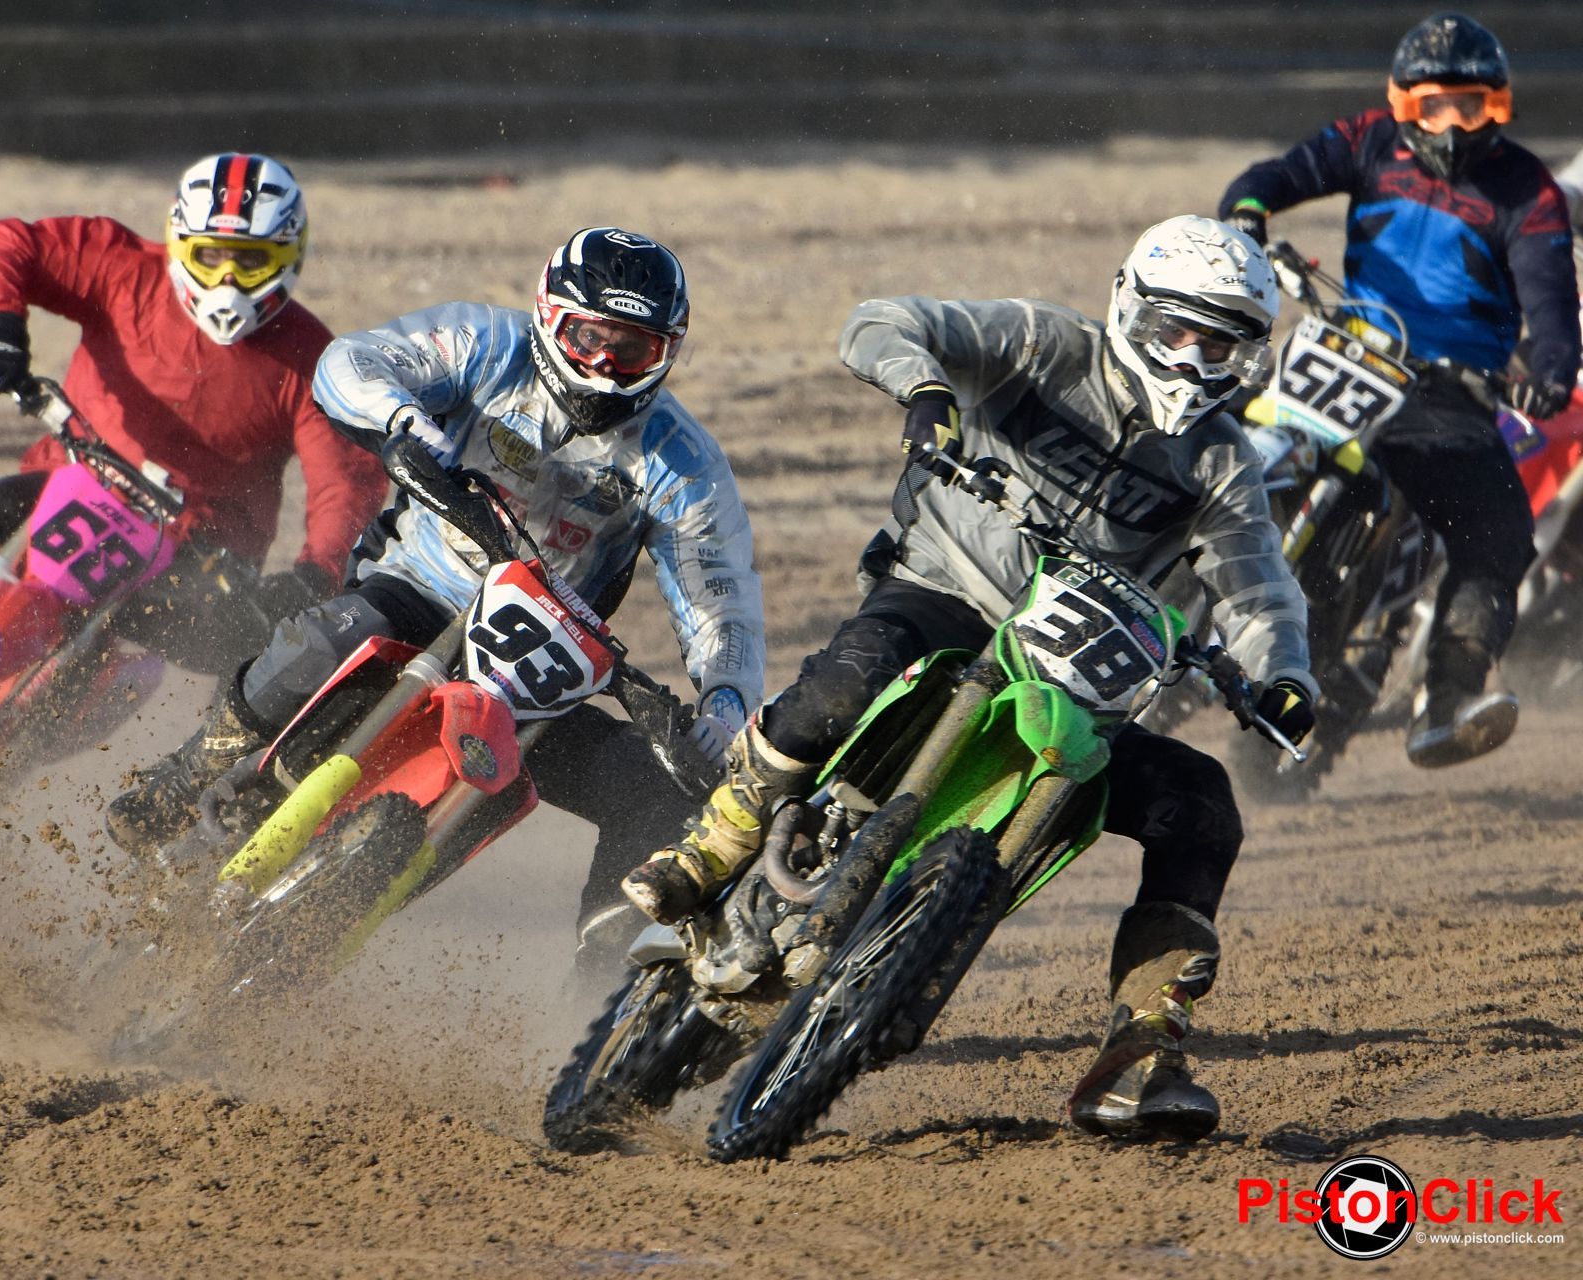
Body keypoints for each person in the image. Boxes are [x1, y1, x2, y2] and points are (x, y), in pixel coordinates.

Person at [625, 216, 1318, 1141]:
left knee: (1201, 802)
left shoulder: (1223, 459)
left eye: (1220, 340)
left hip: (1074, 666)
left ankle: (1142, 1046)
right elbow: (882, 321)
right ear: (1129, 308)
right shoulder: (1042, 343)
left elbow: (1257, 579)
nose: (1193, 357)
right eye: (1175, 330)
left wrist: (1283, 676)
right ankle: (712, 846)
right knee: (842, 685)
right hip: (946, 588)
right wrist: (923, 392)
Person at [105, 226, 766, 966]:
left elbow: (720, 594)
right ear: (549, 315)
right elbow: (351, 361)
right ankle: (192, 767)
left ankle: (605, 978)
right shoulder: (487, 343)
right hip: (415, 588)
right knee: (320, 639)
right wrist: (401, 421)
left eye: (633, 351)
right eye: (588, 338)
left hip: (530, 675)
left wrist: (725, 704)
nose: (606, 369)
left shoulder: (685, 462)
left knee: (656, 793)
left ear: (667, 353)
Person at [0, 152, 390, 738]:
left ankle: (190, 794)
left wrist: (318, 571)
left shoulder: (314, 359)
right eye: (210, 257)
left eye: (250, 261)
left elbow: (347, 477)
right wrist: (1, 321)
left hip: (200, 550)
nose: (227, 282)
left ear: (289, 258)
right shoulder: (122, 268)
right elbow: (4, 246)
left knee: (242, 659)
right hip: (72, 480)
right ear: (179, 244)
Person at [1217, 11, 1579, 768]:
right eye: (1432, 106)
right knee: (1217, 433)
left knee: (1498, 538)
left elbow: (1549, 293)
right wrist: (1248, 211)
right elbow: (1276, 176)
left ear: (1498, 107)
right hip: (1346, 349)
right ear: (1402, 103)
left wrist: (1551, 372)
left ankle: (1443, 702)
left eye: (1471, 107)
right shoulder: (1366, 139)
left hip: (1452, 394)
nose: (1451, 126)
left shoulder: (1528, 190)